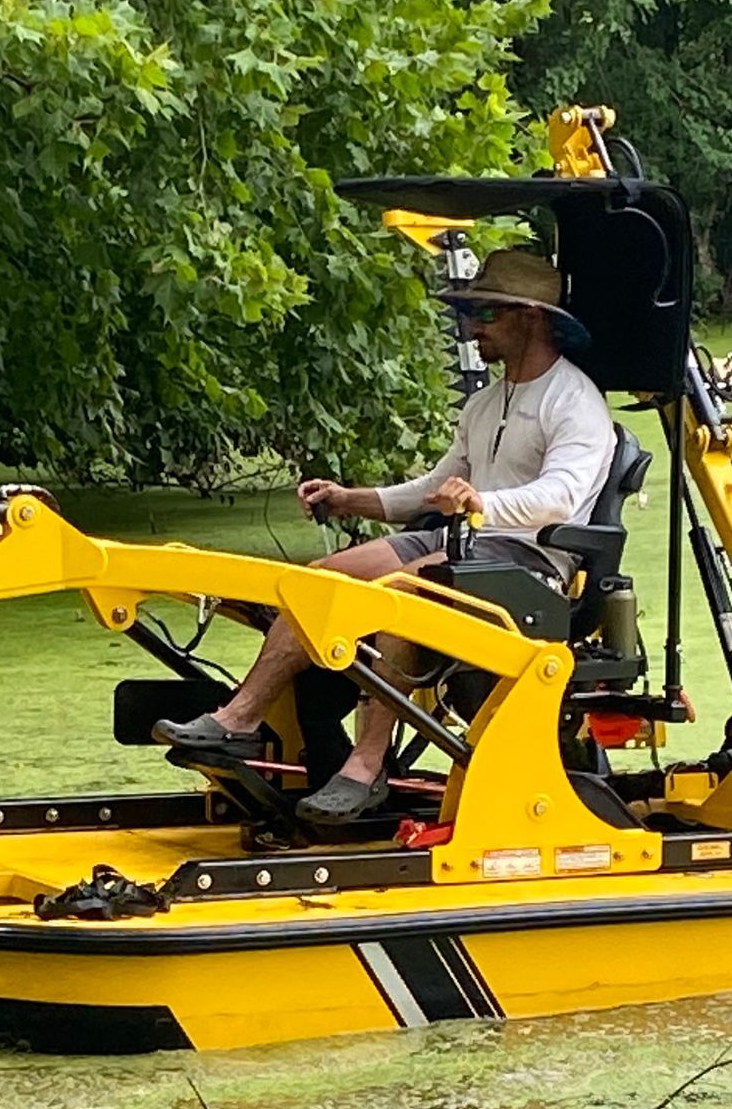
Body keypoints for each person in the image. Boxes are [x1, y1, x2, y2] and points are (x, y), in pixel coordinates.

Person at [154, 247, 616, 819]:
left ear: (532, 317)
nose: (471, 326)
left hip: (529, 564)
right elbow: (435, 487)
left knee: (399, 597)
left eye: (485, 313)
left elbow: (561, 497)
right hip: (459, 544)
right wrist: (352, 498)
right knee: (318, 585)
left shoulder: (576, 403)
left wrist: (480, 503)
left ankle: (367, 765)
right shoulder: (484, 404)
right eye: (468, 311)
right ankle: (239, 719)